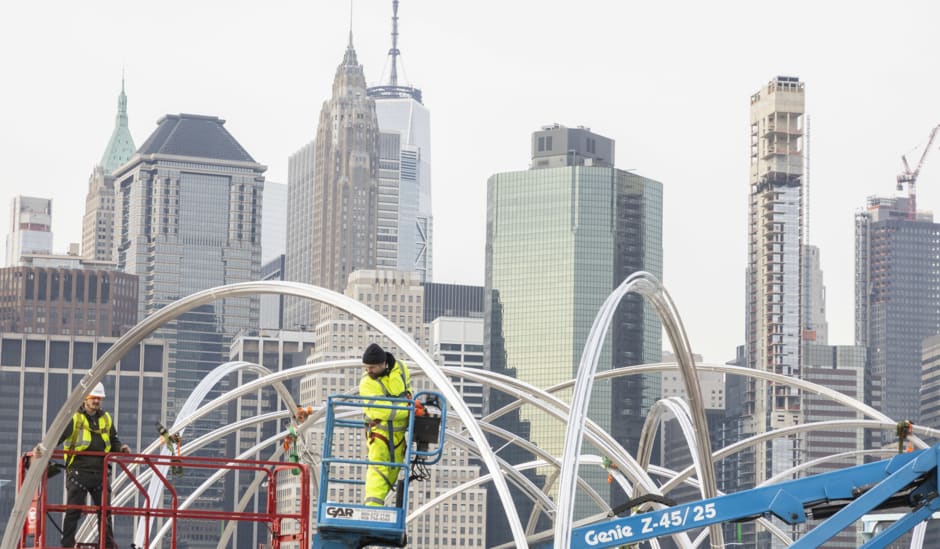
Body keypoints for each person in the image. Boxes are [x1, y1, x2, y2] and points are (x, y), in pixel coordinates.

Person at [35, 382, 131, 549]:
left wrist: (121, 448)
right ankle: (67, 545)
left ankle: (107, 545)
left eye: (99, 398)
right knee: (74, 511)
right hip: (78, 471)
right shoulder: (75, 418)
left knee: (105, 512)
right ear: (85, 398)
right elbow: (57, 436)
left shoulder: (105, 418)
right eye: (94, 397)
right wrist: (42, 449)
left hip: (100, 472)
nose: (96, 401)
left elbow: (112, 439)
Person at [359, 343, 412, 507]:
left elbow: (408, 392)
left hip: (399, 436)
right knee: (378, 470)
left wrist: (411, 405)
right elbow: (381, 411)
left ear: (383, 364)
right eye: (367, 367)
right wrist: (408, 409)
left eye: (372, 367)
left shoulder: (401, 369)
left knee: (393, 471)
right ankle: (371, 510)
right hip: (380, 435)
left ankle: (378, 506)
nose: (369, 371)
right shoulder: (367, 383)